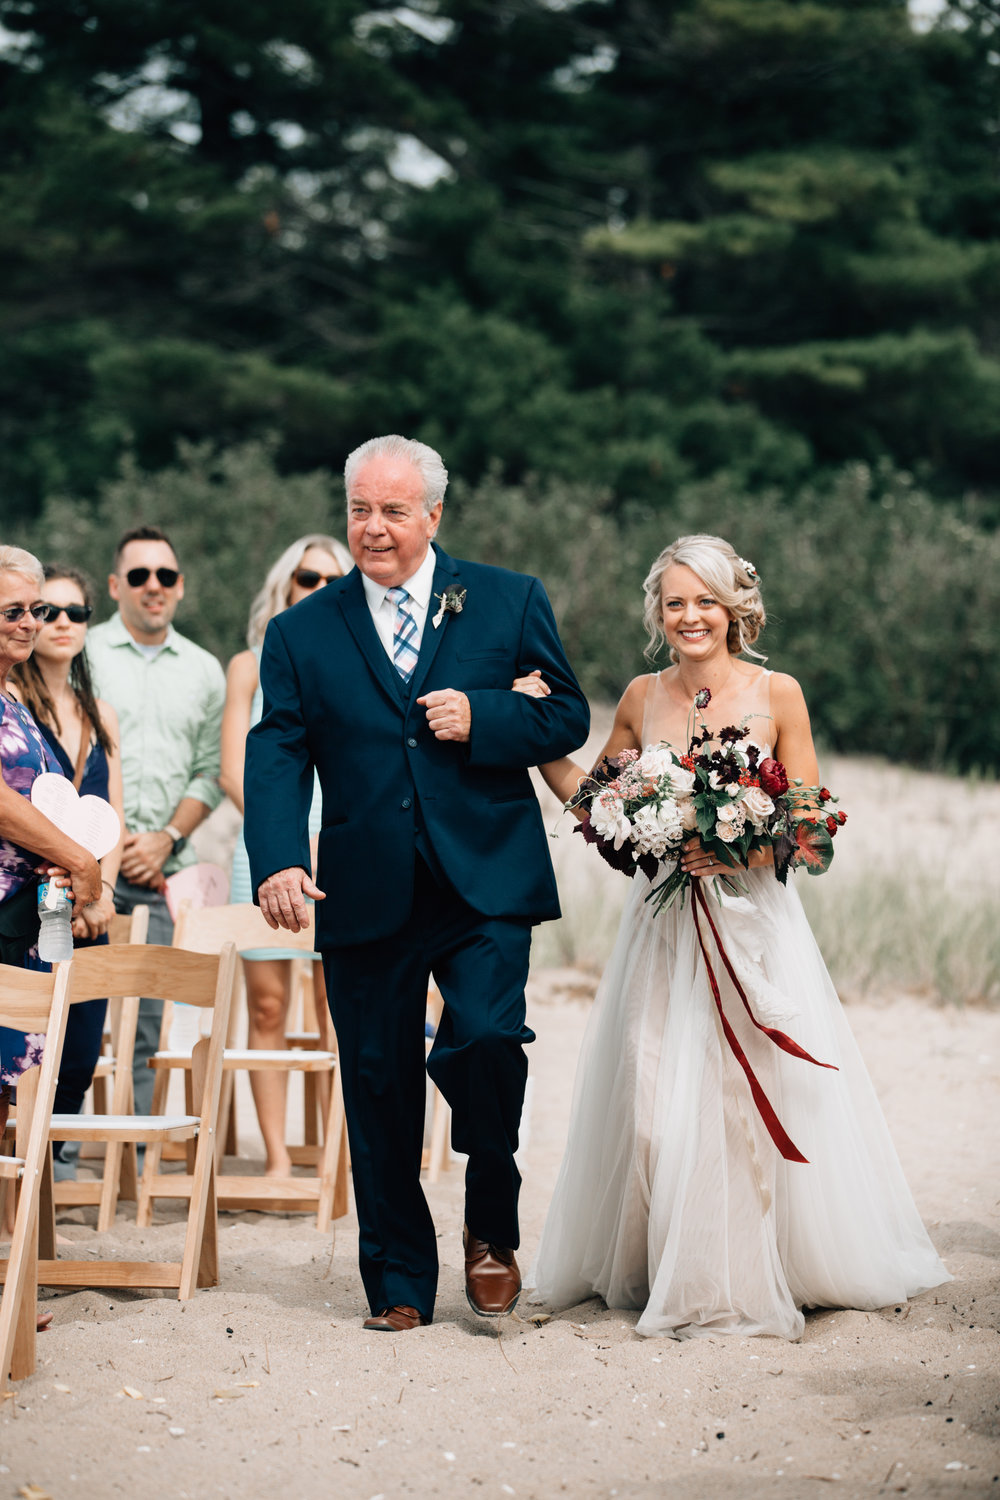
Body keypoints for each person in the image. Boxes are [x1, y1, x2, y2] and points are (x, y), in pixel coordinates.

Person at [524, 533, 950, 1340]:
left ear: (736, 609)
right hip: (661, 932)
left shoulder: (777, 692)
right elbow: (596, 803)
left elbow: (814, 820)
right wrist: (534, 739)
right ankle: (660, 1263)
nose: (690, 616)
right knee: (649, 1103)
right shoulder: (641, 698)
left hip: (752, 926)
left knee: (735, 1108)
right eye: (675, 602)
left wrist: (744, 845)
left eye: (705, 601)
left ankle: (734, 1276)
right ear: (659, 613)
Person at [243, 434, 589, 1332]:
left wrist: (487, 715)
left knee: (484, 1041)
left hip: (485, 877)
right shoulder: (300, 632)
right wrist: (279, 856)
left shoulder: (508, 599)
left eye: (394, 510)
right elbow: (276, 746)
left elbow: (565, 711)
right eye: (360, 508)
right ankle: (398, 1282)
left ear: (434, 515)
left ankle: (490, 1222)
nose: (374, 527)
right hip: (361, 887)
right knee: (377, 1082)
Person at [220, 533, 353, 1176]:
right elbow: (231, 768)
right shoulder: (250, 662)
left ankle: (336, 1155)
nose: (319, 590)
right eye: (307, 578)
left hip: (348, 847)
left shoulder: (362, 662)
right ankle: (274, 1159)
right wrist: (282, 845)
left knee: (341, 1010)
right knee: (268, 1005)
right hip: (270, 847)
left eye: (333, 580)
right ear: (284, 585)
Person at [87, 526, 226, 1115]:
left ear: (181, 588)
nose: (153, 587)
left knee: (148, 1021)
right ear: (117, 585)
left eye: (165, 576)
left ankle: (134, 1155)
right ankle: (61, 1155)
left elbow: (211, 769)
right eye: (139, 576)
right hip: (83, 868)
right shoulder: (80, 654)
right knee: (73, 1017)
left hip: (161, 870)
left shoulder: (205, 671)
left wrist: (167, 837)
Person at [0, 547, 103, 1319]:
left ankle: (7, 1276)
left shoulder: (14, 695)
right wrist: (76, 858)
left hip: (21, 919)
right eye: (15, 611)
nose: (32, 622)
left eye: (36, 609)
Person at [10, 566, 125, 1177]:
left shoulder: (98, 711)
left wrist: (100, 890)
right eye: (42, 611)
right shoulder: (15, 702)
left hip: (89, 900)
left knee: (79, 1051)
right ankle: (24, 1186)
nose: (55, 623)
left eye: (72, 613)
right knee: (25, 1052)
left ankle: (44, 1177)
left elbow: (114, 814)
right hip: (34, 898)